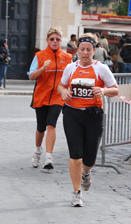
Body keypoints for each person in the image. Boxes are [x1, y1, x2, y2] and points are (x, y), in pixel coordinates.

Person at [57, 33, 119, 207]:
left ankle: (86, 172)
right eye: (82, 49)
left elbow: (115, 89)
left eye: (89, 50)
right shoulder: (70, 68)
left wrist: (103, 91)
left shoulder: (101, 69)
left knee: (89, 159)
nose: (85, 53)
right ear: (77, 50)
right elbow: (61, 85)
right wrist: (63, 92)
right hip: (72, 114)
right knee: (75, 156)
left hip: (93, 115)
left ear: (94, 51)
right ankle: (76, 193)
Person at [29, 27, 72, 171]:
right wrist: (42, 68)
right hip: (41, 96)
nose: (55, 41)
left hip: (57, 97)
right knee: (41, 128)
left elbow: (71, 77)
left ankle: (48, 157)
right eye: (52, 39)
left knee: (51, 125)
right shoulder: (39, 56)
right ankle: (37, 151)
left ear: (61, 41)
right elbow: (31, 76)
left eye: (57, 39)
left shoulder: (67, 58)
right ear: (47, 40)